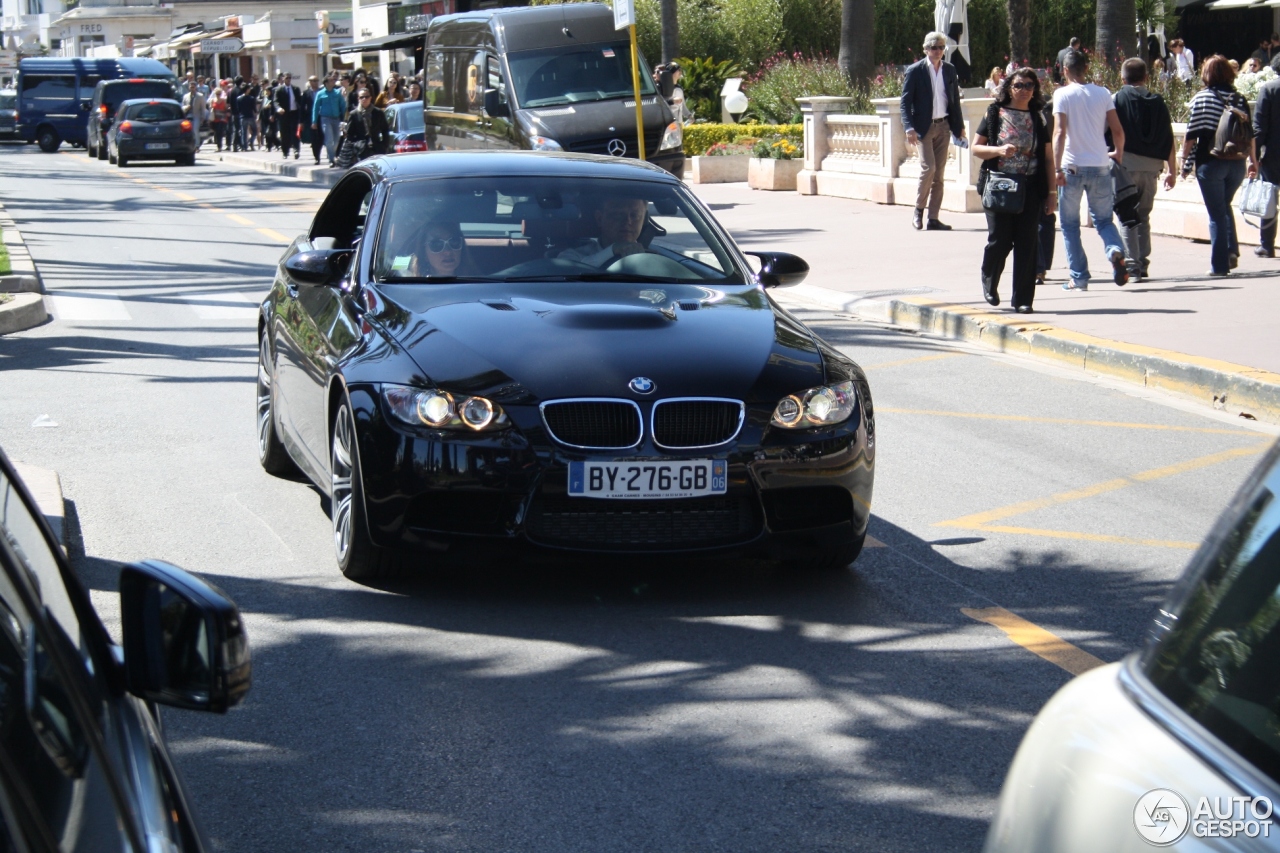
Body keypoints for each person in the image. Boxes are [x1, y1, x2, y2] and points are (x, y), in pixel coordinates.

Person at [974, 68, 1054, 314]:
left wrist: (1052, 194)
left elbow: (1049, 158)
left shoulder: (1038, 117)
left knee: (1027, 243)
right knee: (1000, 239)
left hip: (1030, 186)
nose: (1024, 90)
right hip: (1000, 185)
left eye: (1030, 85)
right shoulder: (995, 113)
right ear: (1009, 87)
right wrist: (998, 151)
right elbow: (976, 148)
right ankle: (989, 278)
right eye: (1019, 85)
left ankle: (1023, 299)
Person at [1053, 48, 1130, 291]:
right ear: (1086, 68)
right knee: (1105, 220)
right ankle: (1115, 249)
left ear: (1065, 70)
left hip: (1072, 165)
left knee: (1069, 225)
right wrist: (1118, 152)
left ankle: (1079, 277)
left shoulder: (1062, 95)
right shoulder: (1103, 93)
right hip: (1099, 165)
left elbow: (1059, 132)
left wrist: (1056, 168)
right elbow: (1117, 130)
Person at [1182, 56, 1259, 276]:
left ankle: (1220, 265)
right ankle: (1231, 250)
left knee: (1216, 212)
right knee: (1224, 205)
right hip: (1236, 163)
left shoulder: (1202, 98)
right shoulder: (1240, 99)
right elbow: (1250, 134)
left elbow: (1191, 135)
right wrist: (1253, 161)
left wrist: (1182, 162)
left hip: (1211, 162)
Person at [1113, 58, 1177, 282]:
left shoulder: (1117, 99)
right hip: (1152, 168)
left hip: (1126, 167)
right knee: (1143, 216)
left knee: (1126, 216)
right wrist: (1172, 170)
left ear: (1122, 78)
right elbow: (1169, 138)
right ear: (1146, 77)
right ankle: (1143, 261)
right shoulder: (1158, 101)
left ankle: (1133, 265)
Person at [900, 31, 967, 231]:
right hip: (923, 127)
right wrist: (909, 127)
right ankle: (918, 211)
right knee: (928, 168)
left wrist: (959, 126)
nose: (938, 51)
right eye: (934, 47)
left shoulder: (949, 69)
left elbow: (954, 100)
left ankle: (934, 218)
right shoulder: (915, 70)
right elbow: (905, 102)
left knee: (939, 174)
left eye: (941, 47)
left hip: (944, 125)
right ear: (926, 49)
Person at [557, 196, 649, 266]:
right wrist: (612, 251)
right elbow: (572, 271)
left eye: (635, 215)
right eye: (618, 215)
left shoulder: (654, 259)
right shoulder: (572, 256)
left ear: (644, 220)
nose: (628, 221)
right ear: (599, 219)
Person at [1252, 67, 1280, 257]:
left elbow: (1259, 127)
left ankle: (1267, 244)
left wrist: (1253, 157)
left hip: (1273, 153)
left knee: (1269, 199)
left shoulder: (1269, 89)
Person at [337, 88, 388, 168]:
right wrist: (358, 145)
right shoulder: (354, 114)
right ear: (358, 99)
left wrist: (384, 144)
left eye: (367, 97)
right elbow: (350, 135)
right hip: (362, 150)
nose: (364, 99)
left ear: (370, 98)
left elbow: (385, 130)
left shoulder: (378, 113)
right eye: (362, 97)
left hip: (377, 148)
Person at [312, 75, 346, 168]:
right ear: (326, 83)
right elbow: (315, 108)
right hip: (325, 119)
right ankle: (332, 159)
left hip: (336, 118)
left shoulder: (337, 93)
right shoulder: (320, 94)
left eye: (334, 80)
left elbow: (343, 105)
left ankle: (331, 153)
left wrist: (344, 118)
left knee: (337, 139)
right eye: (331, 80)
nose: (333, 82)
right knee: (329, 140)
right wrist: (314, 121)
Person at [274, 73, 302, 160]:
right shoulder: (279, 90)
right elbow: (275, 101)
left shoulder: (296, 89)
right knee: (285, 134)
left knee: (295, 133)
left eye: (290, 78)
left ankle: (296, 150)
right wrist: (279, 108)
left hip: (294, 113)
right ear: (283, 78)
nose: (288, 79)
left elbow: (300, 101)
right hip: (284, 114)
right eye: (287, 78)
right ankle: (285, 152)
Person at [299, 75, 322, 164]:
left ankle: (319, 153)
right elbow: (302, 107)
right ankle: (316, 157)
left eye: (316, 81)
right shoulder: (306, 93)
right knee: (313, 138)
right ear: (309, 82)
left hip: (321, 117)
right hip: (310, 118)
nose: (315, 83)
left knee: (320, 137)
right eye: (313, 81)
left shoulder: (322, 91)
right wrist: (301, 121)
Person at [181, 81, 206, 152]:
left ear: (196, 87)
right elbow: (183, 106)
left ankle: (197, 146)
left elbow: (202, 108)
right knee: (189, 131)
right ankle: (190, 145)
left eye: (193, 87)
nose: (192, 88)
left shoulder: (200, 96)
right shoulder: (186, 96)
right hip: (188, 115)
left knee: (195, 130)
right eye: (191, 87)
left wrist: (203, 117)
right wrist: (186, 108)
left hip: (196, 116)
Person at [208, 86, 230, 152]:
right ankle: (218, 145)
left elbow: (226, 108)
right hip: (215, 119)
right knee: (216, 133)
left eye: (219, 93)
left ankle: (219, 146)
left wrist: (227, 111)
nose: (218, 95)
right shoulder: (212, 100)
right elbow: (210, 108)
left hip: (222, 118)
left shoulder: (224, 100)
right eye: (217, 94)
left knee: (219, 132)